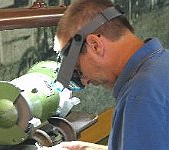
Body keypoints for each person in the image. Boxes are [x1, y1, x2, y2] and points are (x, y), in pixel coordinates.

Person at [42, 0, 169, 149]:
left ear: (95, 45)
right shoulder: (162, 62)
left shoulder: (141, 95)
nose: (85, 81)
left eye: (78, 68)